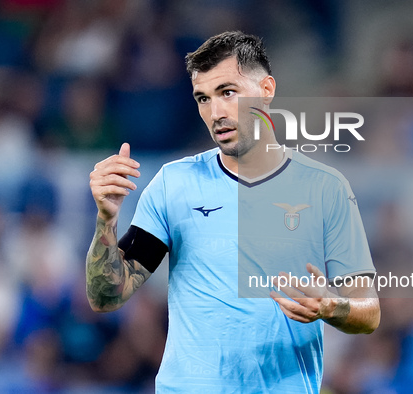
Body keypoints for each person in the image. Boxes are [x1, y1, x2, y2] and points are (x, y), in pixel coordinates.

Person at [86, 31, 380, 393]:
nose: (216, 112)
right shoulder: (173, 184)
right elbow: (107, 296)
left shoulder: (325, 188)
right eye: (203, 98)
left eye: (228, 92)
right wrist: (107, 220)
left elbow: (368, 311)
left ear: (267, 89)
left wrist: (331, 307)